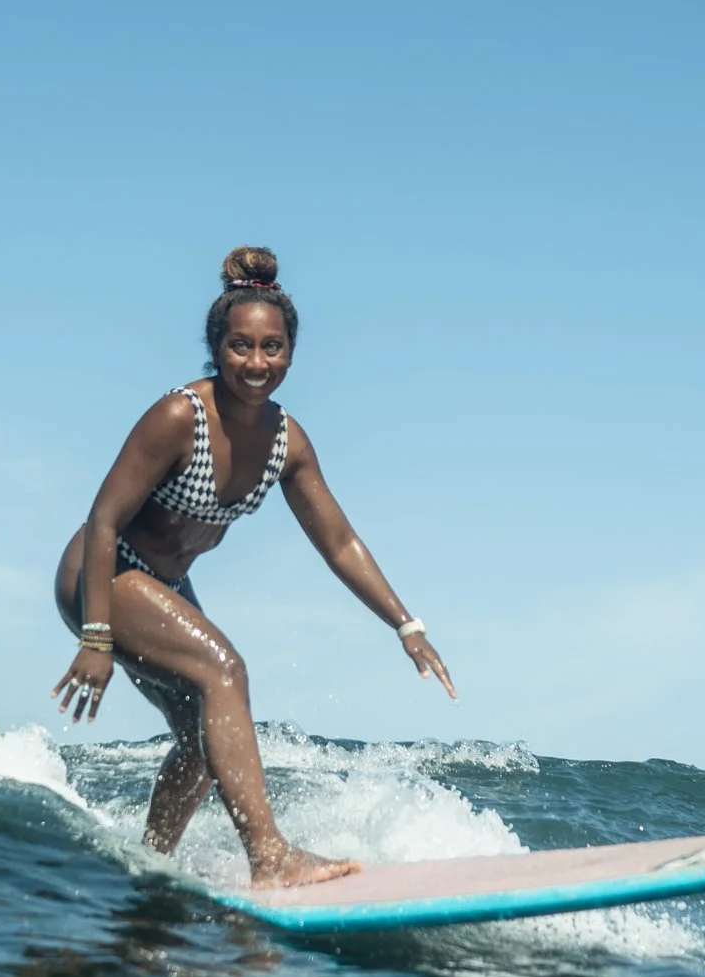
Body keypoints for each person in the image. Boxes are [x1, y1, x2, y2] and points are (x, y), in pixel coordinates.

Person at [51, 247, 456, 887]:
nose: (257, 363)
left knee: (205, 738)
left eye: (273, 348)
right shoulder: (178, 416)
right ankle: (269, 855)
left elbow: (340, 541)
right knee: (226, 672)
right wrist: (96, 637)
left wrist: (406, 626)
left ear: (292, 352)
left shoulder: (287, 441)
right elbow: (102, 520)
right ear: (217, 347)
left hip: (163, 586)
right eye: (241, 347)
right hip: (100, 573)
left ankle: (149, 864)